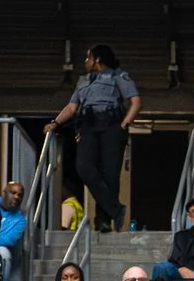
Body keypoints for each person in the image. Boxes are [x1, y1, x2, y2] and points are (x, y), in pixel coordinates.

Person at [52, 45, 140, 234]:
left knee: (109, 174)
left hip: (111, 126)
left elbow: (135, 101)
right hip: (89, 127)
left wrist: (124, 124)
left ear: (97, 59)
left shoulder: (118, 75)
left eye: (88, 57)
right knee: (84, 167)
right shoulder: (83, 80)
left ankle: (103, 220)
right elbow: (71, 107)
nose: (86, 61)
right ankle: (116, 208)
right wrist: (55, 123)